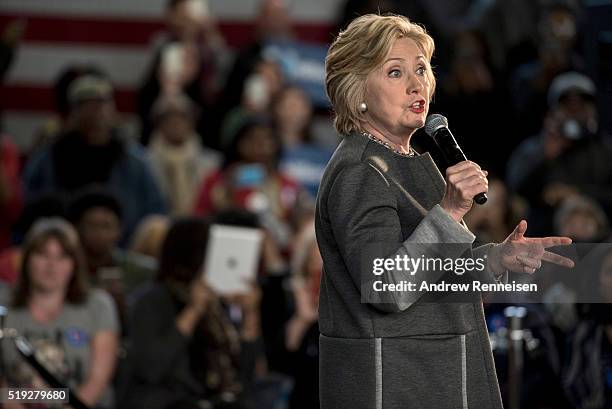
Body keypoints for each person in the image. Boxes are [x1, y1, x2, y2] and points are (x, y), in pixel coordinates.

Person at [316, 14, 575, 409]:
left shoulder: (409, 160)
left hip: (434, 370)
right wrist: (451, 210)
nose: (416, 83)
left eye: (420, 69)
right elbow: (387, 286)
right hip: (394, 383)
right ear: (357, 89)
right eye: (395, 72)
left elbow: (433, 277)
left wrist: (494, 259)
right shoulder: (359, 170)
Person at [22, 73, 166, 241]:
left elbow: (156, 212)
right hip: (63, 251)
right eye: (87, 105)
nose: (97, 113)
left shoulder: (136, 161)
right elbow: (27, 210)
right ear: (72, 112)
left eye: (102, 104)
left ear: (113, 110)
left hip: (123, 251)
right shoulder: (48, 159)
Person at [0, 218, 119, 409]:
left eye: (62, 256)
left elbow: (97, 381)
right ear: (27, 259)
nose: (51, 266)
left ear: (74, 263)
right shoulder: (2, 303)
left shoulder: (98, 305)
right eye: (42, 255)